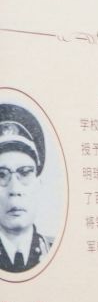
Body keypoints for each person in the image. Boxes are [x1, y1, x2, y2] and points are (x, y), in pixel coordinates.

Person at [0, 104, 55, 275]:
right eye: (2, 175)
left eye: (24, 173)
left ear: (38, 184)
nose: (15, 189)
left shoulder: (55, 252)